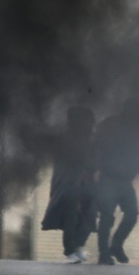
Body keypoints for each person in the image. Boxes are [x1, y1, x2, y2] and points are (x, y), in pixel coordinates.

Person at [92, 99, 139, 265]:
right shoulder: (109, 125)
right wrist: (94, 169)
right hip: (107, 178)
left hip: (125, 181)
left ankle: (116, 246)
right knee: (106, 216)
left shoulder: (138, 132)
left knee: (132, 214)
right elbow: (96, 146)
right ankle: (104, 254)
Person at [41, 106, 97, 264]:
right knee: (70, 217)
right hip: (69, 183)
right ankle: (70, 251)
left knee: (89, 214)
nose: (90, 123)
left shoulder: (90, 139)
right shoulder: (67, 139)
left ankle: (78, 246)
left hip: (86, 183)